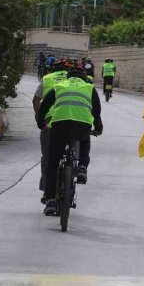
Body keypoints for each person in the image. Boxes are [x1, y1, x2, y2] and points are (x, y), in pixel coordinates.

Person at [35, 66, 103, 216]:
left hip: (59, 125)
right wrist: (98, 128)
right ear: (84, 79)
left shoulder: (59, 86)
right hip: (82, 125)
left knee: (52, 163)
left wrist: (41, 124)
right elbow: (96, 112)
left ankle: (51, 200)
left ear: (67, 78)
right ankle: (82, 167)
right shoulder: (90, 88)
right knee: (85, 140)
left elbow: (44, 107)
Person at [33, 58, 70, 197]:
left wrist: (40, 118)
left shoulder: (47, 78)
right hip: (71, 121)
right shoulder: (75, 80)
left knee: (48, 157)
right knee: (73, 152)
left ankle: (46, 190)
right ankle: (73, 172)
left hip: (50, 123)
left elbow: (36, 99)